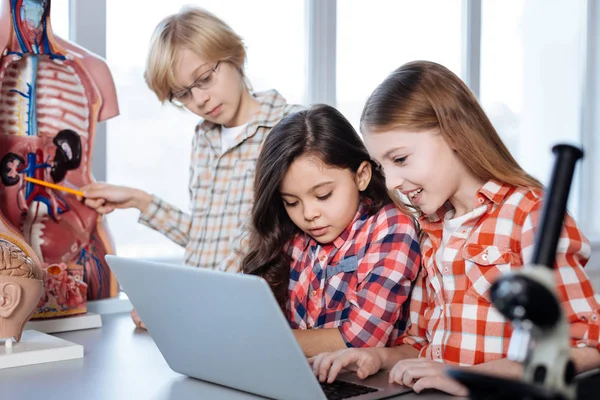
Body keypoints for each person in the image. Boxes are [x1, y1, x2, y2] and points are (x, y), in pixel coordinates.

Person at [309, 61, 600, 395]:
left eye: (400, 159)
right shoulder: (432, 230)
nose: (391, 182)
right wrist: (376, 356)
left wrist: (465, 375)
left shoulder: (530, 214)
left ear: (454, 134)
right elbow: (423, 347)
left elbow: (587, 344)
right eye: (381, 166)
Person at [81, 6, 301, 328]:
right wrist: (139, 201)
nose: (200, 100)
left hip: (258, 315)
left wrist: (186, 304)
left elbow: (280, 241)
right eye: (183, 94)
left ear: (235, 56)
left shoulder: (290, 128)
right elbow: (209, 239)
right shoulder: (204, 139)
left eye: (206, 78)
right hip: (208, 314)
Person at [240, 104, 421, 357]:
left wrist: (262, 339)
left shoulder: (391, 227)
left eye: (323, 195)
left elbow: (360, 339)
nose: (308, 214)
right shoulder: (291, 235)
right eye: (291, 202)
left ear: (362, 176)